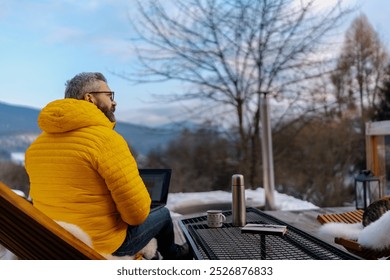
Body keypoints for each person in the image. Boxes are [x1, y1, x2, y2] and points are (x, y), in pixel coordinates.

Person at [25, 72, 191, 259]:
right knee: (162, 214)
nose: (114, 102)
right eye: (109, 95)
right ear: (90, 98)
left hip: (55, 242)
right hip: (102, 244)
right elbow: (136, 215)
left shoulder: (36, 146)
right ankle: (177, 258)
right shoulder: (106, 140)